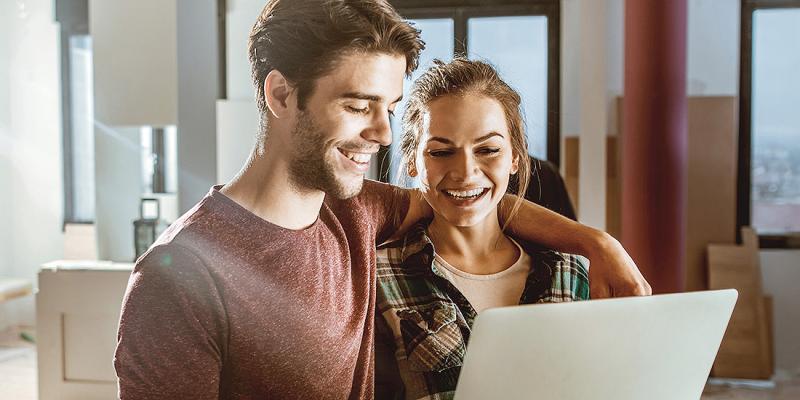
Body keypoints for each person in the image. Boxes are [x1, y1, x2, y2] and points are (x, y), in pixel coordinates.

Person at [113, 1, 650, 399]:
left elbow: (471, 198)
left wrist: (597, 244)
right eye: (358, 105)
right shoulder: (176, 275)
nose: (384, 133)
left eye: (390, 107)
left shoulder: (358, 210)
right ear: (280, 94)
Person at [374, 58, 588, 399]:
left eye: (488, 149)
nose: (466, 172)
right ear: (413, 160)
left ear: (515, 157)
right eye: (442, 152)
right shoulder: (378, 278)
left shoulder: (569, 272)